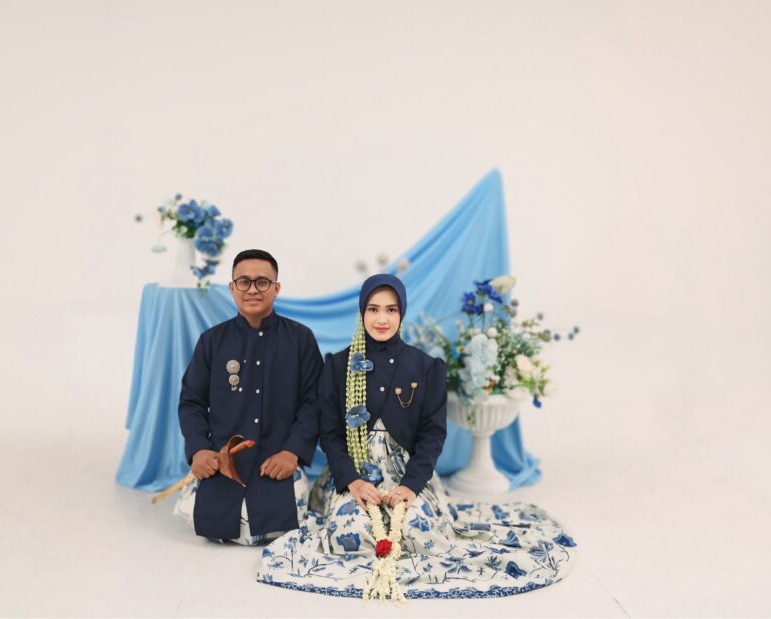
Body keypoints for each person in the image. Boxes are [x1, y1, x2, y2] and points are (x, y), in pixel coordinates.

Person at [257, 274, 576, 598]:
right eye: (373, 309)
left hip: (407, 473)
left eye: (391, 310)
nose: (382, 319)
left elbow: (432, 436)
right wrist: (352, 481)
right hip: (353, 472)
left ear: (402, 313)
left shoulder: (425, 367)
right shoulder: (338, 365)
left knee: (418, 533)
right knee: (347, 532)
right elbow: (330, 433)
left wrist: (410, 486)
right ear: (362, 312)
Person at [175, 249, 323, 544]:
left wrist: (291, 452)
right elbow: (191, 402)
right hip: (225, 462)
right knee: (210, 515)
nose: (252, 289)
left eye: (262, 282)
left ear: (276, 288)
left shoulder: (300, 339)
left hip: (276, 459)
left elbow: (314, 403)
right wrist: (199, 450)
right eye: (244, 282)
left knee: (281, 517)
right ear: (232, 288)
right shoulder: (212, 341)